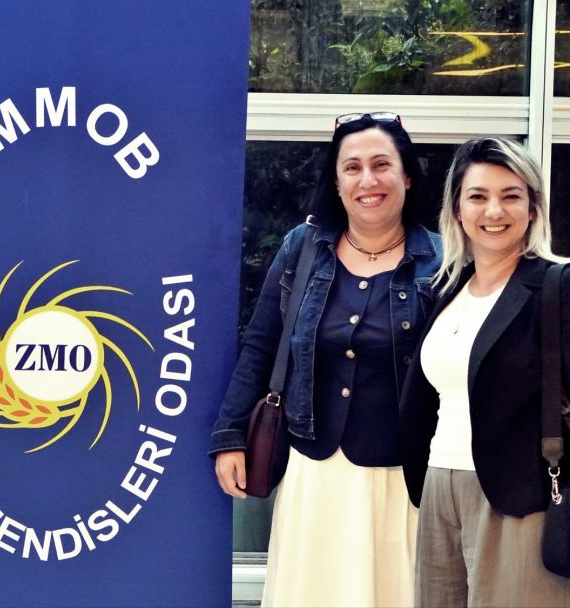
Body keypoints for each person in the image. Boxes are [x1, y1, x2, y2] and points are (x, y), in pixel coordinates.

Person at [209, 112, 442, 606]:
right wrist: (229, 435)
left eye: (382, 164)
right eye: (352, 167)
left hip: (402, 481)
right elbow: (261, 344)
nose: (367, 180)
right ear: (336, 183)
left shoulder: (441, 262)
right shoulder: (303, 248)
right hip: (313, 473)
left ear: (406, 175)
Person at [399, 137, 570, 606]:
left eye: (511, 196)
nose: (494, 211)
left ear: (533, 208)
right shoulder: (446, 288)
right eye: (478, 196)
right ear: (457, 209)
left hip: (521, 496)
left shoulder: (557, 286)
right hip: (439, 484)